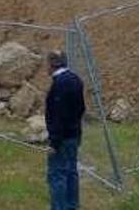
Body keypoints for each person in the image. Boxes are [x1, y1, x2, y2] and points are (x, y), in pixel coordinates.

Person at [45, 50, 86, 210]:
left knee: (57, 174)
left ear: (52, 64)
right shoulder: (76, 80)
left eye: (47, 63)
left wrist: (54, 142)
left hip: (62, 138)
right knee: (71, 171)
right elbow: (81, 108)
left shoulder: (59, 84)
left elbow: (58, 116)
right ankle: (72, 205)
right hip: (74, 135)